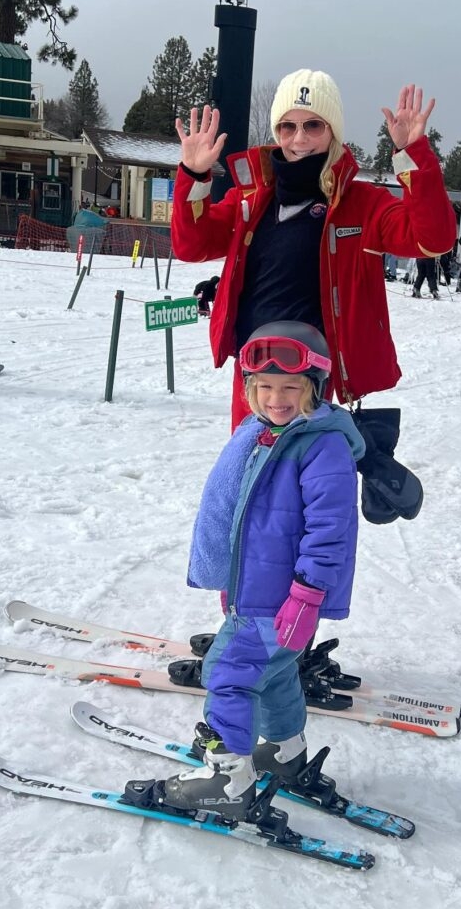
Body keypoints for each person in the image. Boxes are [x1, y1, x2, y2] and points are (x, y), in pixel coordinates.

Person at [153, 321, 365, 816]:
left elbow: (330, 533)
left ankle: (226, 781)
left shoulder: (322, 446)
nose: (277, 398)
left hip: (283, 598)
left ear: (314, 388)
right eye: (265, 387)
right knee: (273, 675)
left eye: (291, 387)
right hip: (258, 592)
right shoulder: (264, 435)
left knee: (227, 674)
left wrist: (307, 596)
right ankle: (285, 754)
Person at [170, 71, 456, 428]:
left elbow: (432, 239)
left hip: (311, 375)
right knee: (250, 470)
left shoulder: (363, 204)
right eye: (288, 126)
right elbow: (191, 246)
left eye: (313, 125)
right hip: (254, 368)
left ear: (333, 130)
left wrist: (412, 155)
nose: (299, 138)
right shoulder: (250, 200)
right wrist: (194, 176)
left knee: (305, 472)